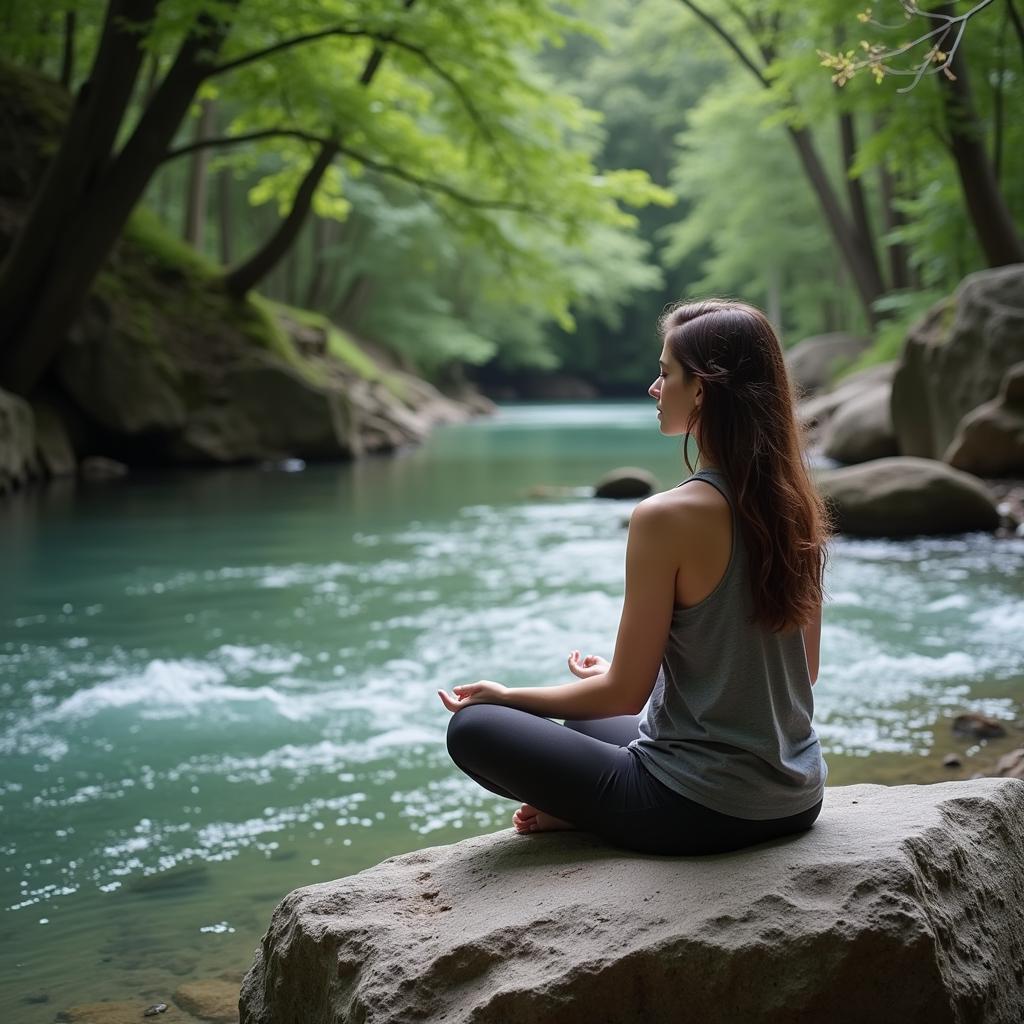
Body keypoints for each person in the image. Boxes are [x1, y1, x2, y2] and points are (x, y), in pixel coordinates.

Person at [437, 298, 830, 856]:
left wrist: (508, 696)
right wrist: (650, 679)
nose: (654, 386)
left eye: (666, 371)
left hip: (699, 810)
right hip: (795, 798)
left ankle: (593, 814)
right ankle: (590, 805)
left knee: (477, 728)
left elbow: (624, 693)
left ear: (702, 390)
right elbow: (801, 672)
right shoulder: (795, 505)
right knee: (585, 724)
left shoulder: (666, 516)